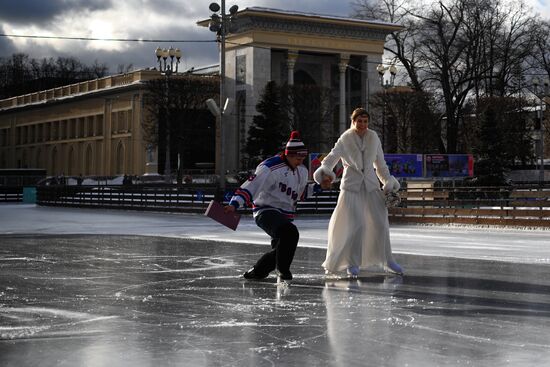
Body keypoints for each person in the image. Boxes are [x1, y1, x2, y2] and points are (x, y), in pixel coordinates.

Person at [224, 131, 325, 285]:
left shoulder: (302, 171)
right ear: (288, 154)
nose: (301, 161)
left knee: (280, 251)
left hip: (285, 216)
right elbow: (252, 186)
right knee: (290, 233)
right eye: (298, 157)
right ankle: (283, 272)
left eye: (303, 157)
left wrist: (319, 187)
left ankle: (256, 272)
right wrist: (234, 204)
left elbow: (300, 195)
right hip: (265, 211)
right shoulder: (270, 168)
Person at [313, 107, 403, 277]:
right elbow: (330, 159)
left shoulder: (373, 138)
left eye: (365, 121)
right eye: (359, 121)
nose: (363, 124)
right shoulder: (344, 139)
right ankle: (352, 262)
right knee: (356, 226)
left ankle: (388, 260)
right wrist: (325, 172)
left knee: (381, 223)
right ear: (353, 122)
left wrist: (388, 182)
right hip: (351, 188)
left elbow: (381, 165)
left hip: (371, 187)